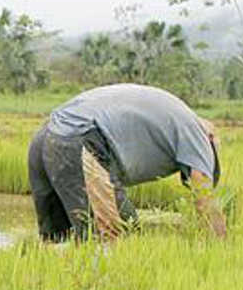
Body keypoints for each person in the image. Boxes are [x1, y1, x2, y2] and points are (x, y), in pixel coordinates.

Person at [28, 83, 225, 242]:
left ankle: (48, 286)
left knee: (58, 240)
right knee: (121, 233)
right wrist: (221, 246)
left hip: (47, 134)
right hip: (80, 138)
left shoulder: (178, 115)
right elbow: (204, 198)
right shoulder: (198, 137)